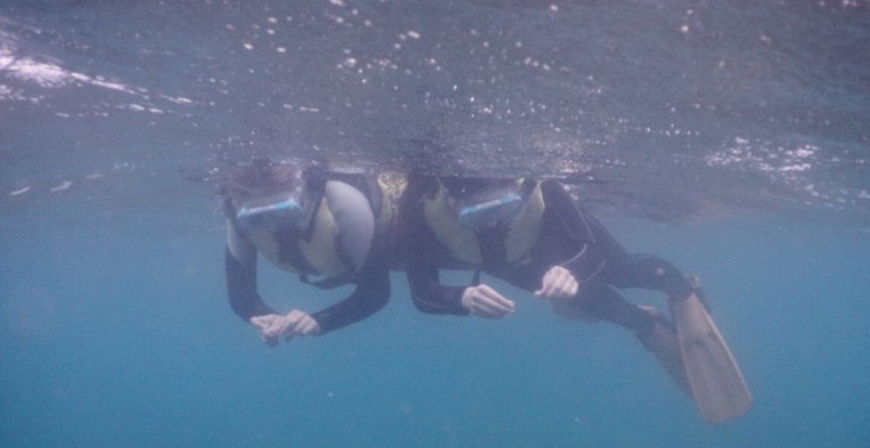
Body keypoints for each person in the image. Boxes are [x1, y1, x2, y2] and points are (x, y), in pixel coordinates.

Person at [401, 175, 752, 422]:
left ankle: (678, 288)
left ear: (518, 188)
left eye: (502, 209)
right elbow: (421, 293)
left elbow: (591, 249)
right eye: (477, 217)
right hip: (526, 269)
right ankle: (645, 323)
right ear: (448, 201)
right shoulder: (418, 202)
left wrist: (570, 269)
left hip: (570, 246)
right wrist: (461, 297)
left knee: (625, 272)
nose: (492, 225)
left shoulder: (543, 185)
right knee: (601, 307)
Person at [221, 160, 405, 344]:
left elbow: (376, 292)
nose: (274, 228)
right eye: (257, 220)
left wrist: (320, 321)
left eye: (284, 213)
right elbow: (242, 297)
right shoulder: (239, 219)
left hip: (397, 239)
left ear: (304, 197)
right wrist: (269, 319)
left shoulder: (342, 199)